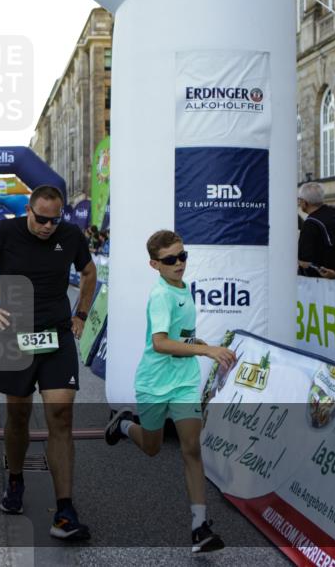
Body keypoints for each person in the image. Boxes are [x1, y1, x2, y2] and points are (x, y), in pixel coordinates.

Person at [0, 185, 97, 540]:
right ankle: (15, 480)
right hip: (14, 334)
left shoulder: (70, 235)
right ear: (28, 211)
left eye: (55, 219)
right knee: (18, 414)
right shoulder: (5, 232)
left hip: (57, 334)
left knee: (61, 415)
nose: (48, 226)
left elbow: (90, 272)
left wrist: (81, 313)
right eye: (41, 219)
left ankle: (64, 510)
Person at [104, 229, 237, 553]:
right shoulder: (161, 295)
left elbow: (181, 336)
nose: (179, 263)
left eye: (182, 256)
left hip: (184, 381)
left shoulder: (183, 287)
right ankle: (123, 425)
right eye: (170, 259)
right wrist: (205, 352)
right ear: (154, 264)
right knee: (152, 447)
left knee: (191, 448)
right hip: (154, 382)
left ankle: (199, 527)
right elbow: (160, 343)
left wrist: (197, 343)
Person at [297, 182, 335, 277]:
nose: (299, 203)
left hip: (325, 279)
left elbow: (305, 261)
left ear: (305, 202)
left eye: (299, 200)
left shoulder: (310, 224)